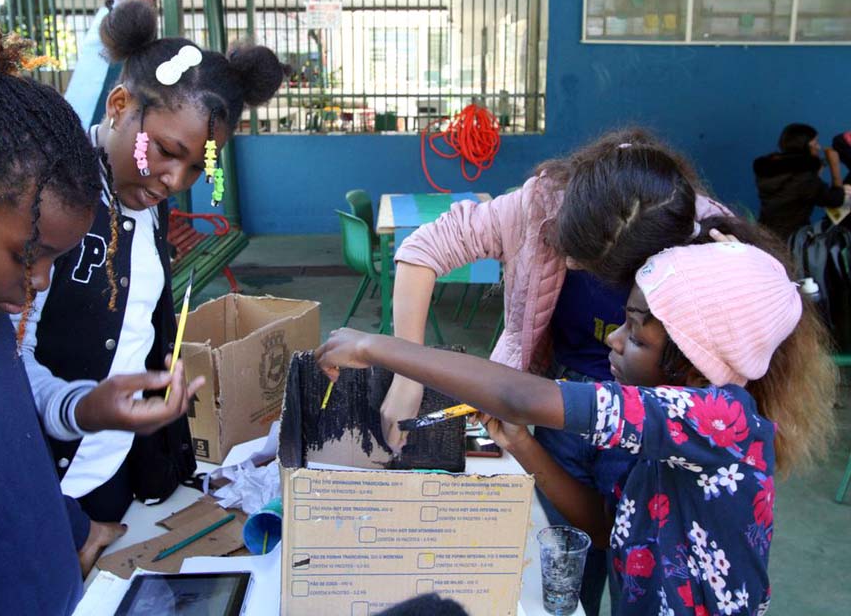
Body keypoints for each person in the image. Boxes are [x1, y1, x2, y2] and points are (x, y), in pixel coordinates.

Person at [315, 224, 835, 615]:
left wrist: (377, 345)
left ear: (696, 353)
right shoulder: (662, 423)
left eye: (634, 331)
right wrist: (521, 442)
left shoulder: (716, 419)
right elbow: (607, 529)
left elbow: (521, 394)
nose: (612, 339)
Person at [0, 0, 199, 611]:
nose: (39, 282)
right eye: (27, 256)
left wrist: (77, 524)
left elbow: (2, 461)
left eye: (56, 261)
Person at [382, 128, 729, 615]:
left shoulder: (707, 243)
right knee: (561, 573)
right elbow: (424, 249)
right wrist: (406, 375)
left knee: (636, 567)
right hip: (554, 406)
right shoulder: (542, 203)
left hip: (647, 422)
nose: (564, 261)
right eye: (566, 244)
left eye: (589, 263)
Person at [15, 0, 287, 522]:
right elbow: (7, 357)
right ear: (118, 105)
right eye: (163, 151)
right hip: (49, 490)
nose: (173, 181)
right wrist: (81, 408)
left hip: (115, 476)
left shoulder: (143, 198)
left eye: (194, 167)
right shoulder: (47, 200)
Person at [754, 122, 848, 240]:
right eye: (815, 143)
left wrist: (817, 165)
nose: (818, 147)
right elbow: (835, 200)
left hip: (765, 232)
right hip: (790, 240)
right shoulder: (804, 178)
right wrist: (834, 166)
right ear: (805, 145)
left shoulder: (769, 168)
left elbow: (798, 189)